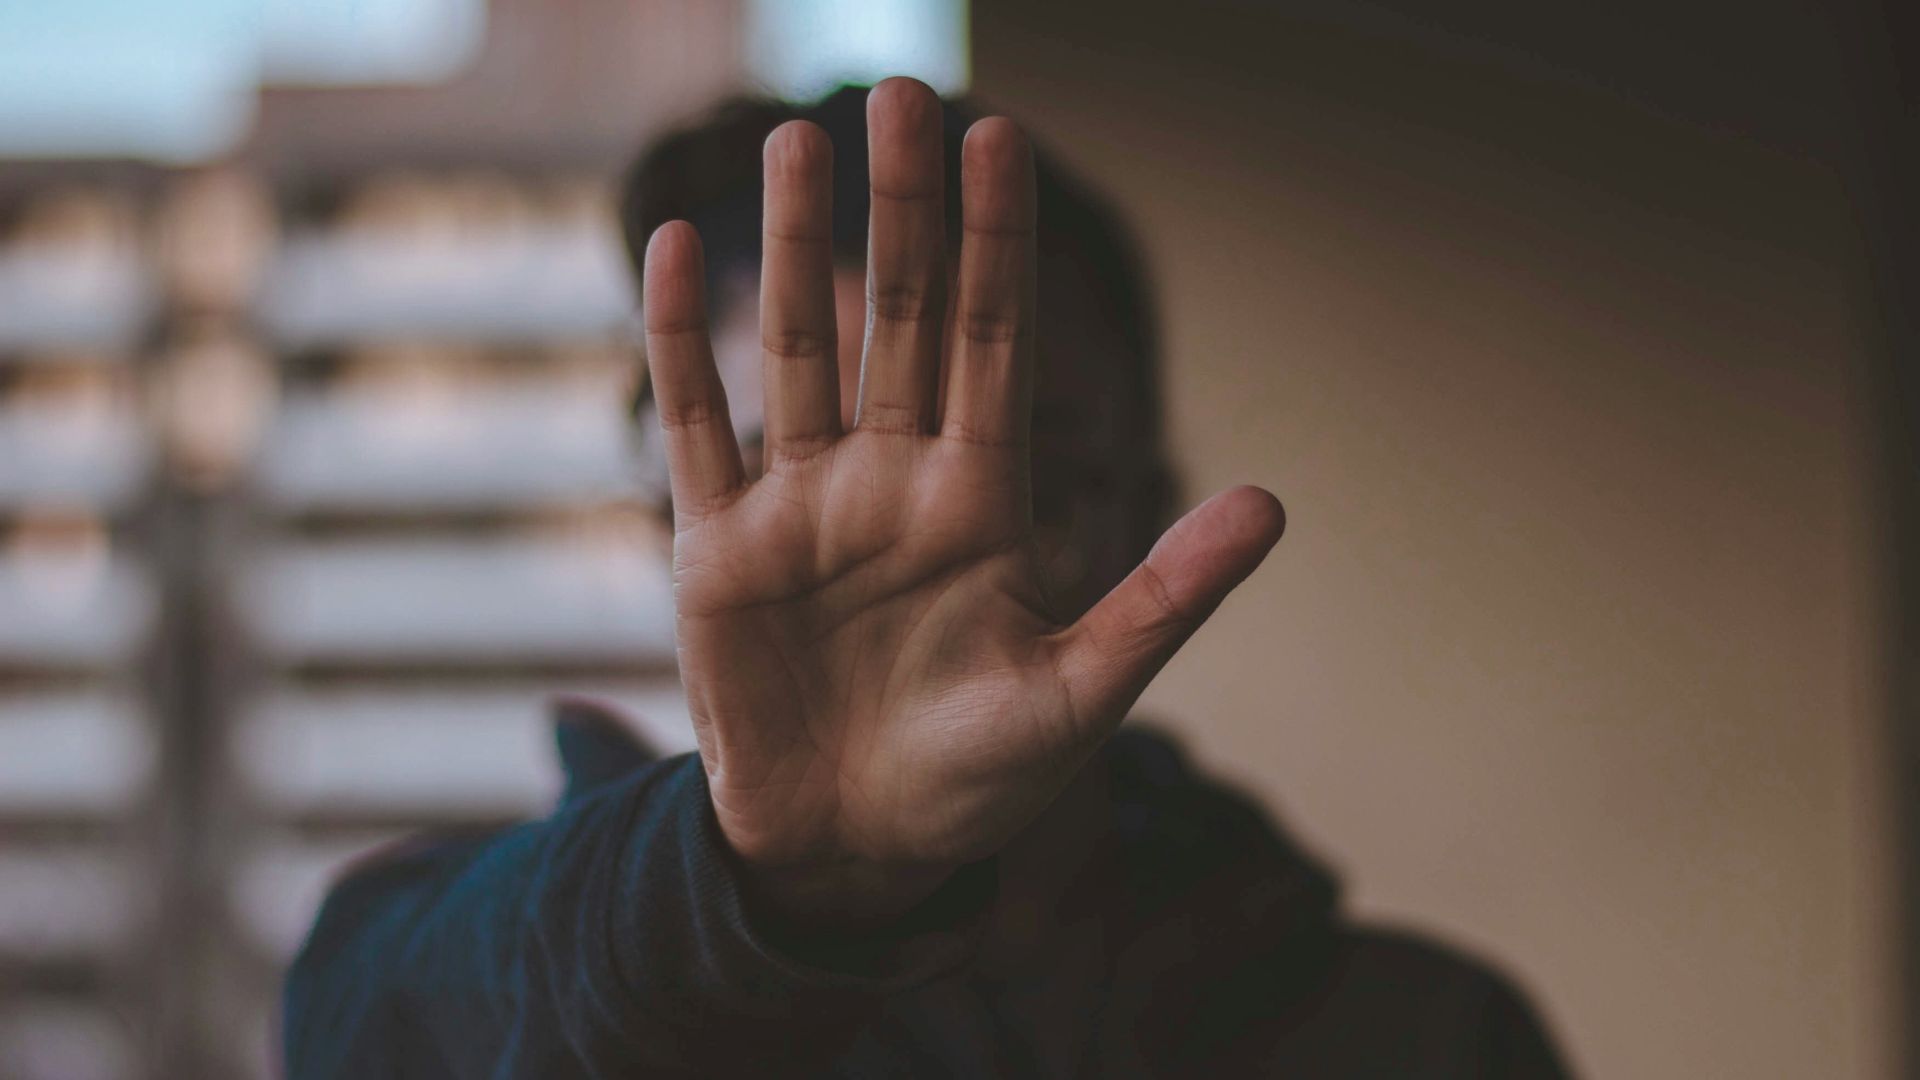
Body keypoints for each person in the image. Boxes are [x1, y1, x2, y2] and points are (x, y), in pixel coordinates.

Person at [283, 78, 1571, 1078]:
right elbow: (368, 1026)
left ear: (1152, 506)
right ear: (661, 529)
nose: (908, 580)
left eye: (1030, 480)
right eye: (797, 479)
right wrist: (775, 892)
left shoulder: (1422, 1041)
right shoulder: (469, 975)